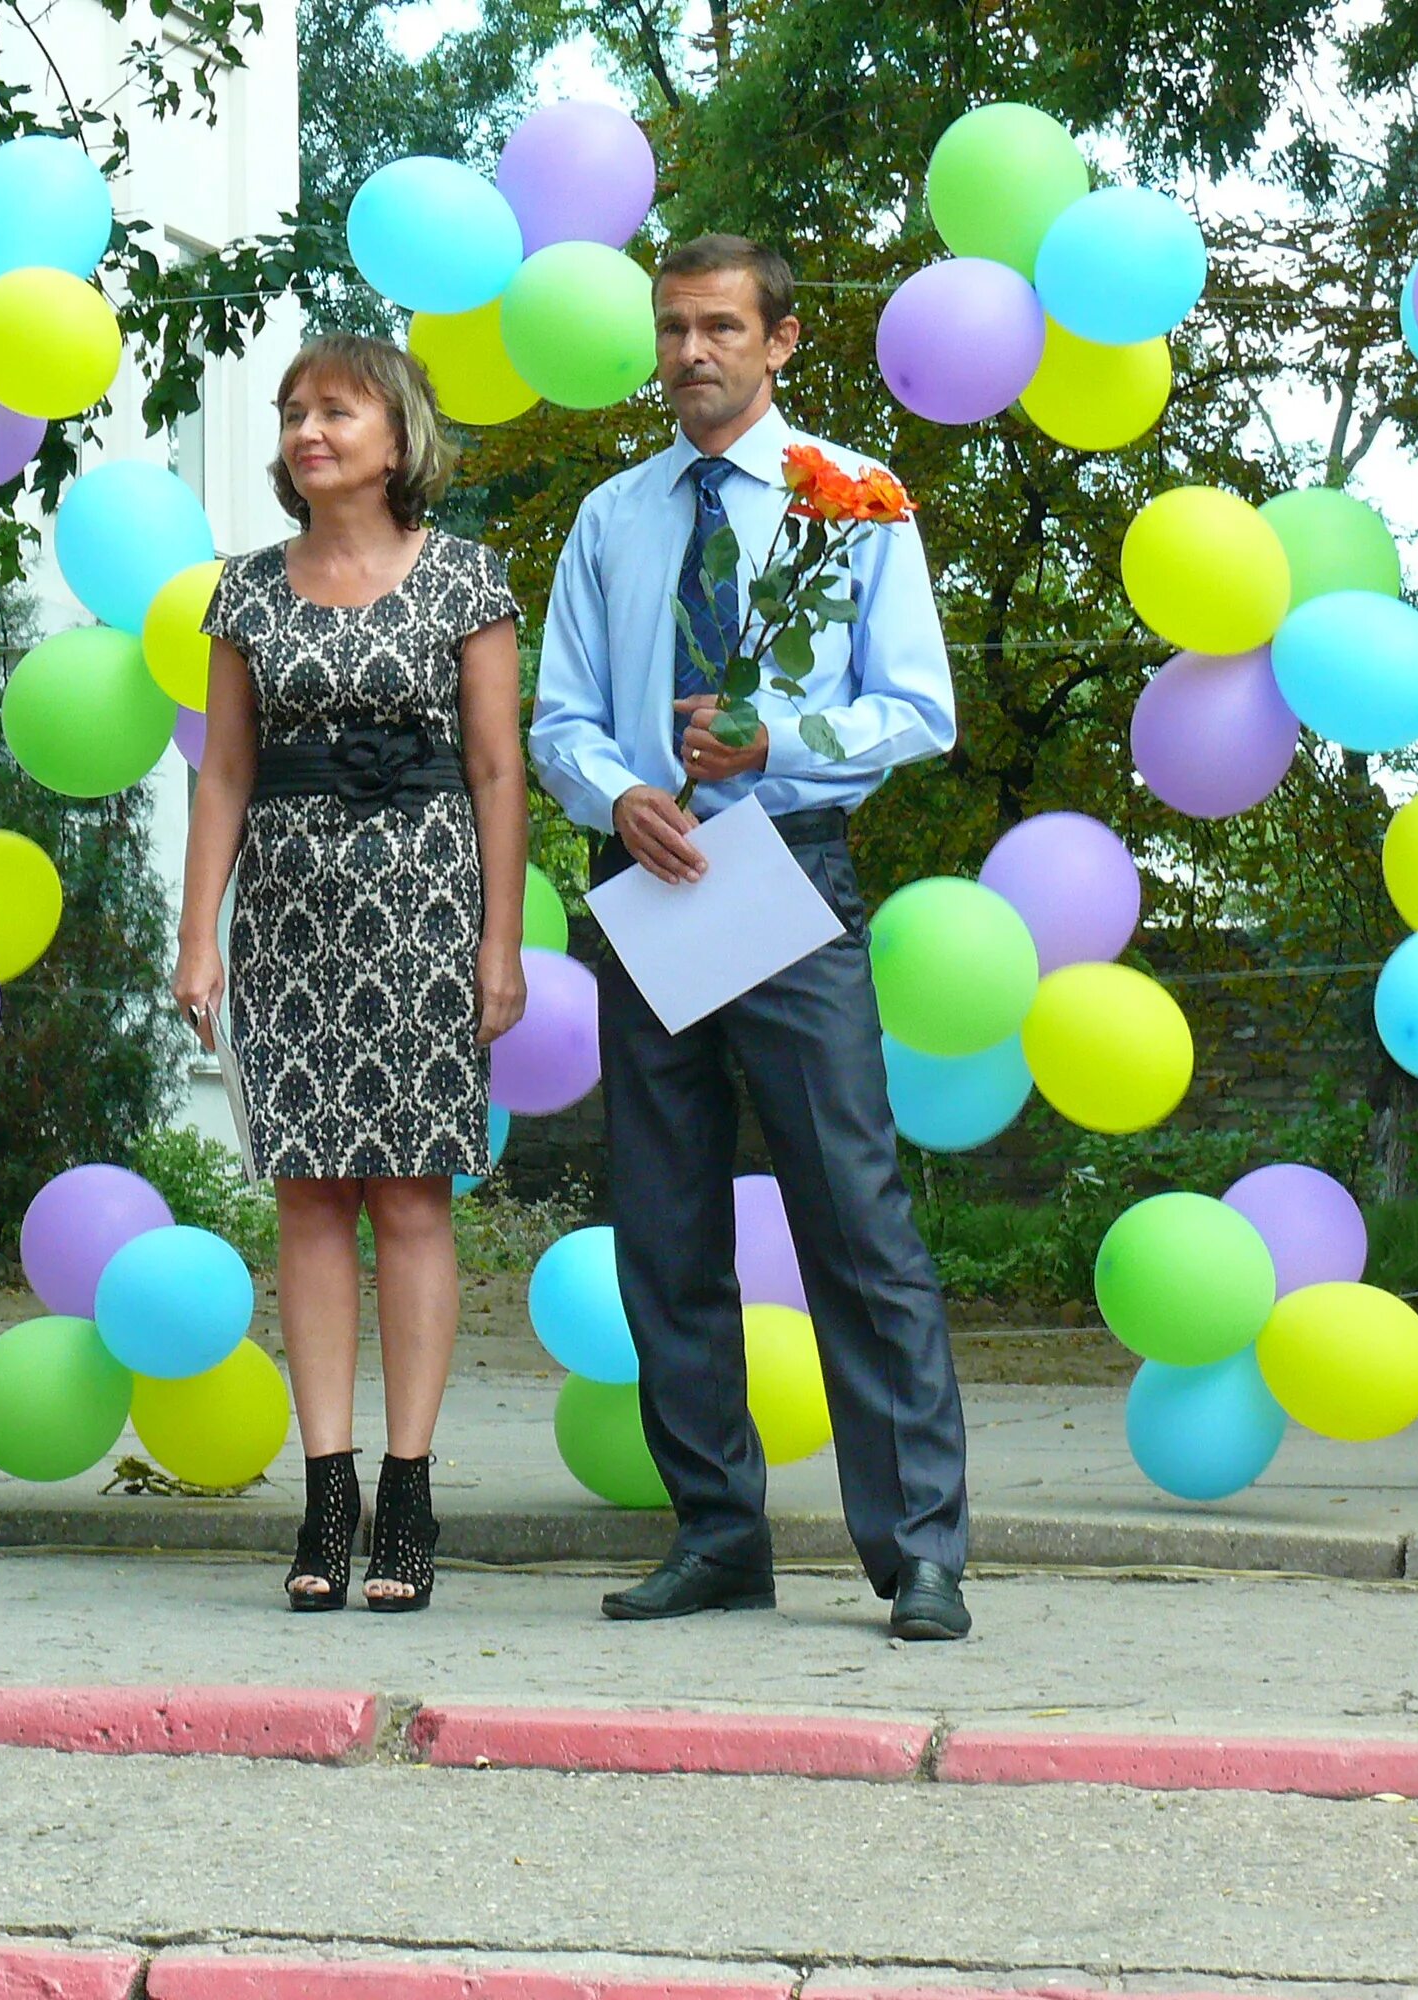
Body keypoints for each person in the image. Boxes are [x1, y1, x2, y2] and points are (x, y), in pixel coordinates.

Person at [529, 235, 974, 1641]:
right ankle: (718, 1535)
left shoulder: (857, 505)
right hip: (654, 876)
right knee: (664, 1224)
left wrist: (782, 741)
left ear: (783, 342)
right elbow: (561, 721)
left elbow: (917, 709)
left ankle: (919, 1554)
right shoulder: (612, 517)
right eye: (671, 328)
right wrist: (622, 797)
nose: (691, 353)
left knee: (853, 1213)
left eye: (721, 326)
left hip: (788, 872)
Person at [177, 333, 526, 1614]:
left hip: (429, 906)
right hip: (285, 913)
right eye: (292, 413)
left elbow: (497, 769)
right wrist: (195, 930)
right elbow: (223, 770)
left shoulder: (469, 581)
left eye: (335, 409)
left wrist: (499, 937)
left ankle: (412, 1489)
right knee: (310, 1197)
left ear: (399, 433)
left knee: (413, 1200)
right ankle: (327, 1496)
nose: (307, 430)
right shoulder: (244, 592)